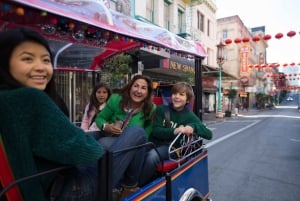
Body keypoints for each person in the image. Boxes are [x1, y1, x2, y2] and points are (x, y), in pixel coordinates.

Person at [0, 27, 104, 201]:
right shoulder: (29, 98)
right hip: (53, 190)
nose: (41, 68)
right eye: (27, 59)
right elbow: (87, 150)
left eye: (46, 60)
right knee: (122, 144)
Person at [139, 82, 213, 186]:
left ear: (187, 99)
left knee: (152, 156)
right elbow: (156, 131)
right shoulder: (161, 109)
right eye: (175, 94)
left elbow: (208, 134)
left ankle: (138, 187)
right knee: (134, 151)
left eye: (181, 95)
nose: (177, 97)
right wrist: (175, 131)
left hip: (172, 148)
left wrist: (193, 127)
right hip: (153, 142)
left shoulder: (190, 116)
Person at [95, 74, 156, 197]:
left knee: (135, 132)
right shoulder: (116, 99)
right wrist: (106, 126)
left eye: (143, 88)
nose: (138, 90)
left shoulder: (151, 109)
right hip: (110, 138)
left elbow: (146, 137)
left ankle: (104, 188)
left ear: (148, 92)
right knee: (89, 137)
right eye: (136, 86)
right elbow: (100, 118)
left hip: (135, 148)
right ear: (130, 87)